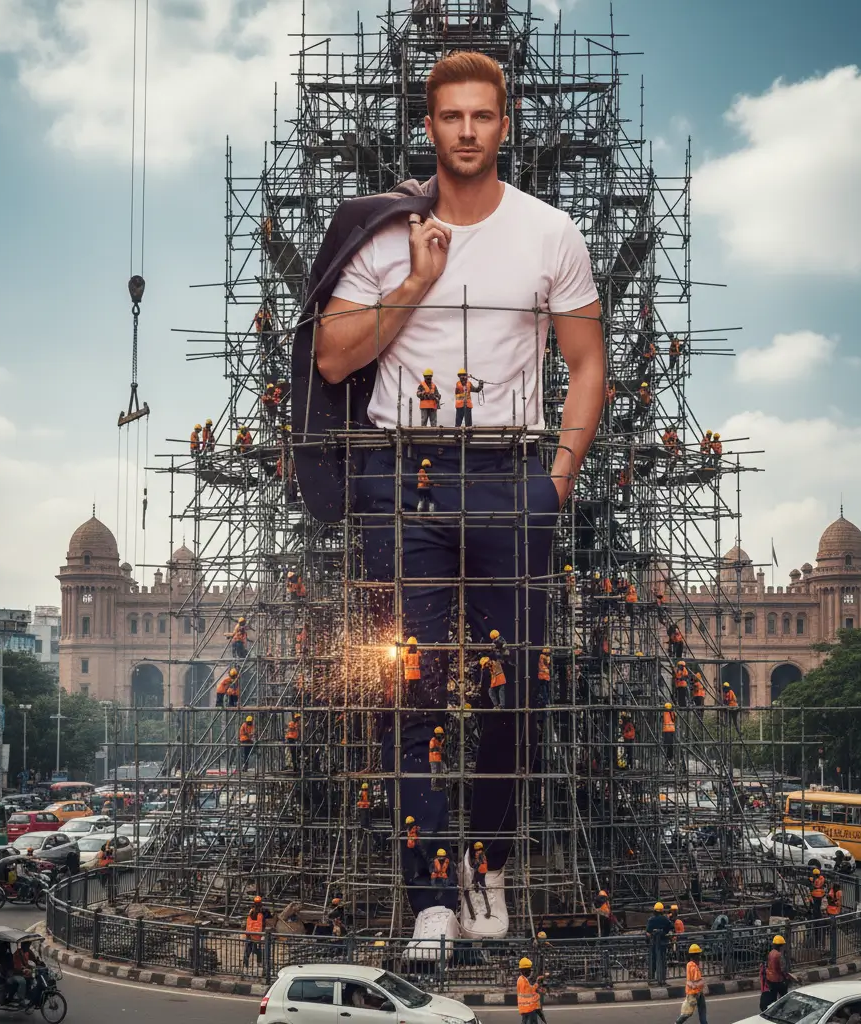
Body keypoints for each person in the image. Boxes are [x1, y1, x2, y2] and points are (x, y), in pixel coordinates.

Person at [295, 50, 603, 936]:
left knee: (519, 686)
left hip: (513, 474)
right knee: (410, 688)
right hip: (401, 477)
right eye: (451, 116)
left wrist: (555, 482)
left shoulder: (550, 232)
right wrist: (418, 281)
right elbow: (331, 358)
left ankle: (486, 864)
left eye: (483, 116)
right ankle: (430, 894)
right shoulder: (383, 231)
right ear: (428, 126)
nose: (468, 131)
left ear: (506, 124)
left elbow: (588, 366)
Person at [675, 943, 707, 1024]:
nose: (699, 956)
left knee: (701, 1011)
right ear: (695, 956)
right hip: (693, 994)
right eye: (698, 955)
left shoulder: (692, 964)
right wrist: (700, 982)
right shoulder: (692, 966)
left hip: (698, 992)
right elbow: (695, 981)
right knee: (687, 1013)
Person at [760, 935, 793, 1011]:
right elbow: (782, 969)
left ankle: (773, 1009)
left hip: (770, 979)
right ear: (781, 946)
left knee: (773, 996)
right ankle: (782, 1009)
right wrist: (787, 977)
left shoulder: (771, 953)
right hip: (778, 980)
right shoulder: (779, 955)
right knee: (784, 996)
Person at [646, 900, 673, 985]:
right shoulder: (665, 919)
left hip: (653, 944)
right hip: (662, 943)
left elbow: (648, 933)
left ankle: (651, 979)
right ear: (662, 911)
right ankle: (662, 980)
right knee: (662, 961)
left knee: (653, 961)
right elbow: (671, 927)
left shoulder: (651, 920)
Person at [516, 957, 542, 1024]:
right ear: (524, 970)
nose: (530, 972)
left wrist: (536, 983)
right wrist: (537, 984)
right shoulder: (523, 981)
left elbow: (529, 990)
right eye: (529, 970)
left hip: (525, 1009)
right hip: (529, 1009)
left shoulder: (522, 979)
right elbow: (531, 993)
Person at [244, 896, 267, 969]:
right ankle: (257, 962)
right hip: (256, 935)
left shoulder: (252, 911)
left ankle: (246, 963)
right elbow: (262, 923)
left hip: (250, 934)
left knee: (249, 949)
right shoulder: (260, 912)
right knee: (256, 949)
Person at [429, 725, 445, 791]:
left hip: (438, 759)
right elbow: (432, 749)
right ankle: (433, 786)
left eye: (441, 735)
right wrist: (439, 749)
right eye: (440, 734)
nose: (440, 736)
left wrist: (442, 743)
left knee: (439, 772)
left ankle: (438, 786)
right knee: (434, 773)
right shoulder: (432, 741)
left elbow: (440, 748)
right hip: (433, 759)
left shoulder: (438, 741)